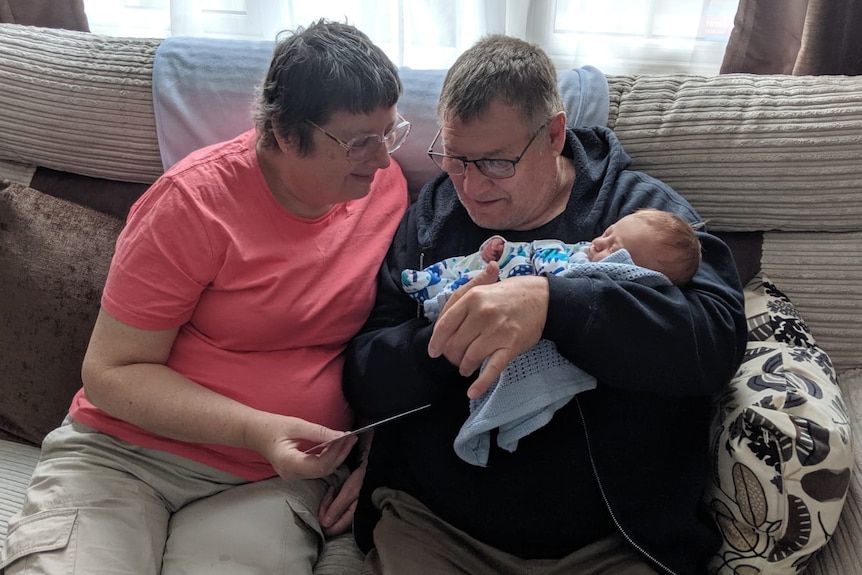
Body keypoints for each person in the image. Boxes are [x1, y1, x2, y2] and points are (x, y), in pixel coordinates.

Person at [0, 20, 410, 575]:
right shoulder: (193, 204)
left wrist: (384, 456)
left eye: (392, 132)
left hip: (270, 480)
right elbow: (113, 369)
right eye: (361, 141)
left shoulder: (382, 190)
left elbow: (403, 338)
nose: (384, 159)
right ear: (286, 135)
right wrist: (255, 429)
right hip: (126, 454)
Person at [344, 34, 747, 575]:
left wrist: (553, 303)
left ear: (554, 134)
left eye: (494, 162)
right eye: (455, 158)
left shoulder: (639, 214)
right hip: (435, 525)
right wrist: (446, 342)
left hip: (612, 539)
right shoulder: (431, 216)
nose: (469, 185)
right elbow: (364, 373)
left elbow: (715, 342)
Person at [399, 208, 703, 467]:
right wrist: (503, 251)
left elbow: (705, 339)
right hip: (457, 317)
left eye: (615, 249)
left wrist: (554, 301)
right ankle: (434, 290)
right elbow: (534, 252)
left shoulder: (642, 209)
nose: (598, 242)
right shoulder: (430, 210)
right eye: (608, 232)